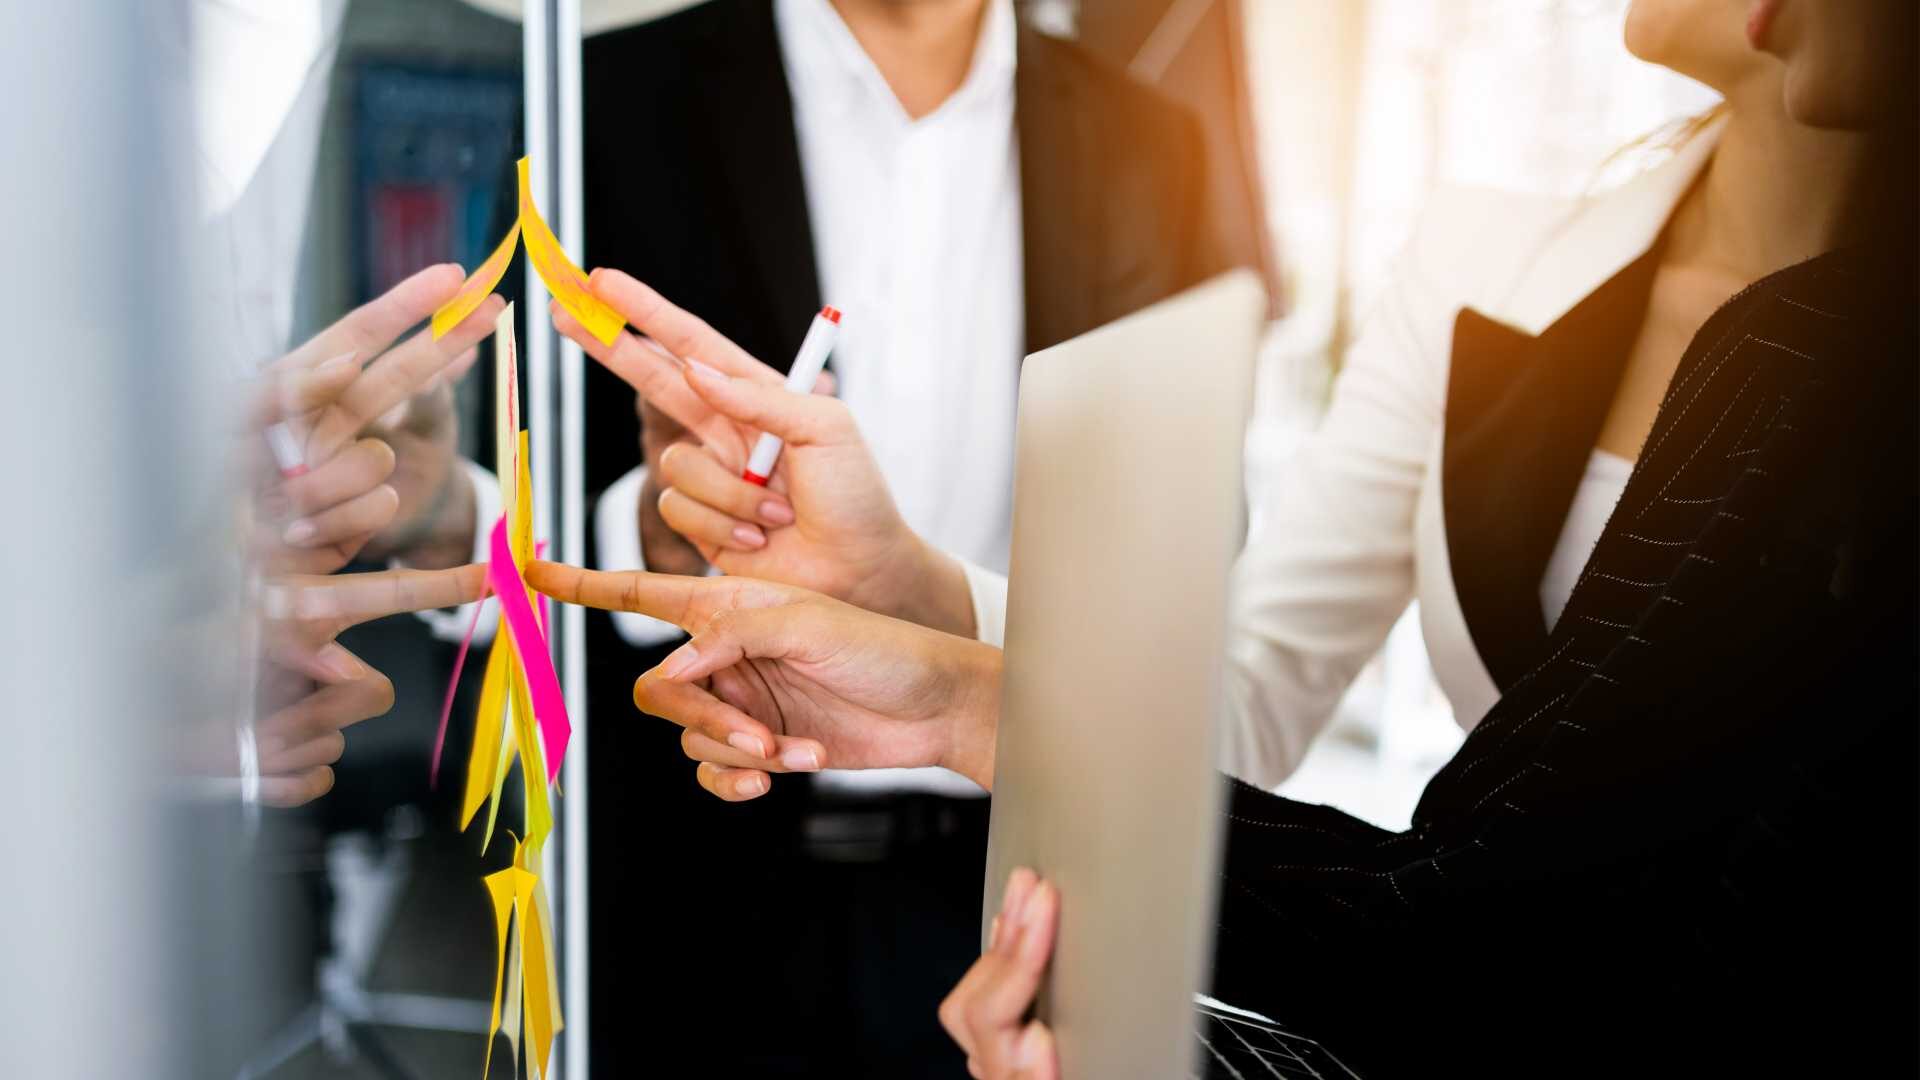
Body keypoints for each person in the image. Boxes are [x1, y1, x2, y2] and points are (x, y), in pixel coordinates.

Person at [541, 0, 1918, 1072]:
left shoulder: (1148, 136)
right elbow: (1247, 699)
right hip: (729, 902)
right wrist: (924, 609)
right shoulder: (1485, 270)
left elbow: (1493, 939)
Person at [577, 0, 1243, 1072]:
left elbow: (1203, 520)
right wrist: (667, 530)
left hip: (1017, 908)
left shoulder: (1151, 140)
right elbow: (504, 511)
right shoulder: (603, 95)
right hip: (689, 879)